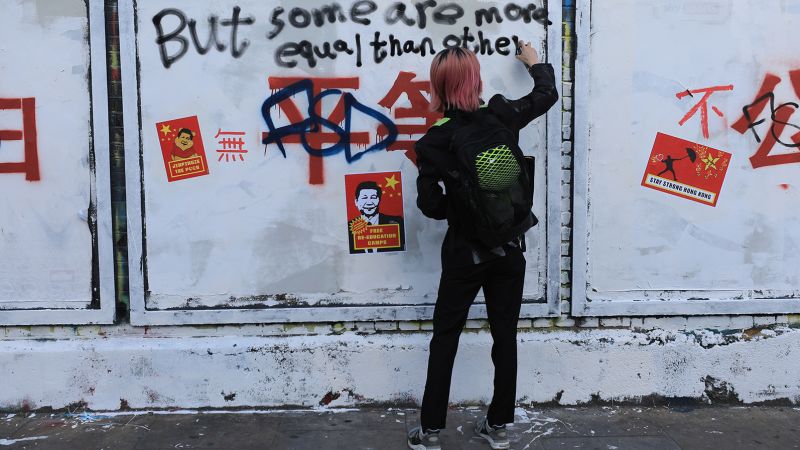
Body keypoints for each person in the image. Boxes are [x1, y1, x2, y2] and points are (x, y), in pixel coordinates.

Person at [407, 42, 558, 450]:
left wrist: (445, 185)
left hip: (464, 255)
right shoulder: (501, 116)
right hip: (509, 250)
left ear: (438, 86)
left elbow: (432, 207)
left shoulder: (433, 142)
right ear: (475, 81)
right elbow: (548, 94)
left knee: (446, 337)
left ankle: (431, 432)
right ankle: (498, 426)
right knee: (504, 335)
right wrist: (533, 62)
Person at [348, 180, 405, 253]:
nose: (369, 203)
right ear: (356, 202)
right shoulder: (348, 228)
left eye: (373, 197)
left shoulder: (397, 222)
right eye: (364, 198)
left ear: (379, 200)